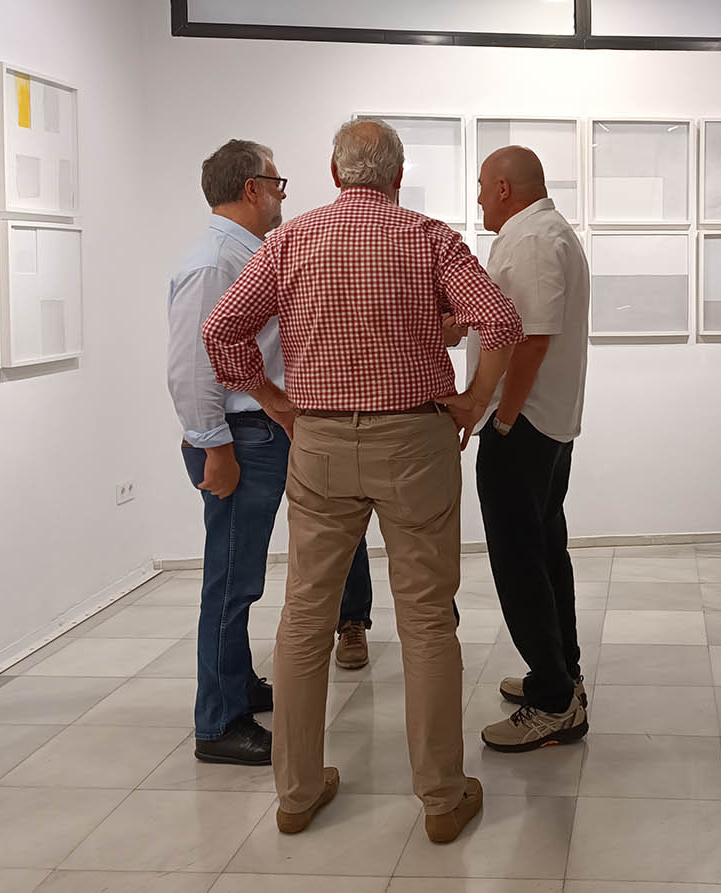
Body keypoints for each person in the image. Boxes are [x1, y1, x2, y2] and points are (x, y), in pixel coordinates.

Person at [201, 118, 523, 840]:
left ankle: (296, 792)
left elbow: (221, 329)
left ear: (334, 173)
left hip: (317, 442)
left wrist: (274, 400)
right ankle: (441, 797)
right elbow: (500, 322)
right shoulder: (429, 238)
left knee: (305, 615)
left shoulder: (289, 240)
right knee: (427, 617)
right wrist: (475, 399)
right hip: (414, 441)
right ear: (398, 176)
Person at [167, 139, 375, 767]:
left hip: (261, 431)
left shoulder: (248, 253)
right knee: (231, 583)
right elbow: (191, 368)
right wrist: (215, 448)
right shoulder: (213, 263)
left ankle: (239, 685)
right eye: (278, 184)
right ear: (252, 188)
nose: (284, 195)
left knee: (244, 579)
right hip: (239, 437)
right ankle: (218, 723)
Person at [467, 146, 591, 752]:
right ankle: (559, 676)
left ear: (505, 188)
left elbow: (534, 339)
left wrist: (505, 418)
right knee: (543, 553)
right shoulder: (539, 233)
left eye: (483, 187)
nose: (479, 199)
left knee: (521, 563)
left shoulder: (535, 239)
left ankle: (554, 703)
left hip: (526, 427)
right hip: (543, 425)